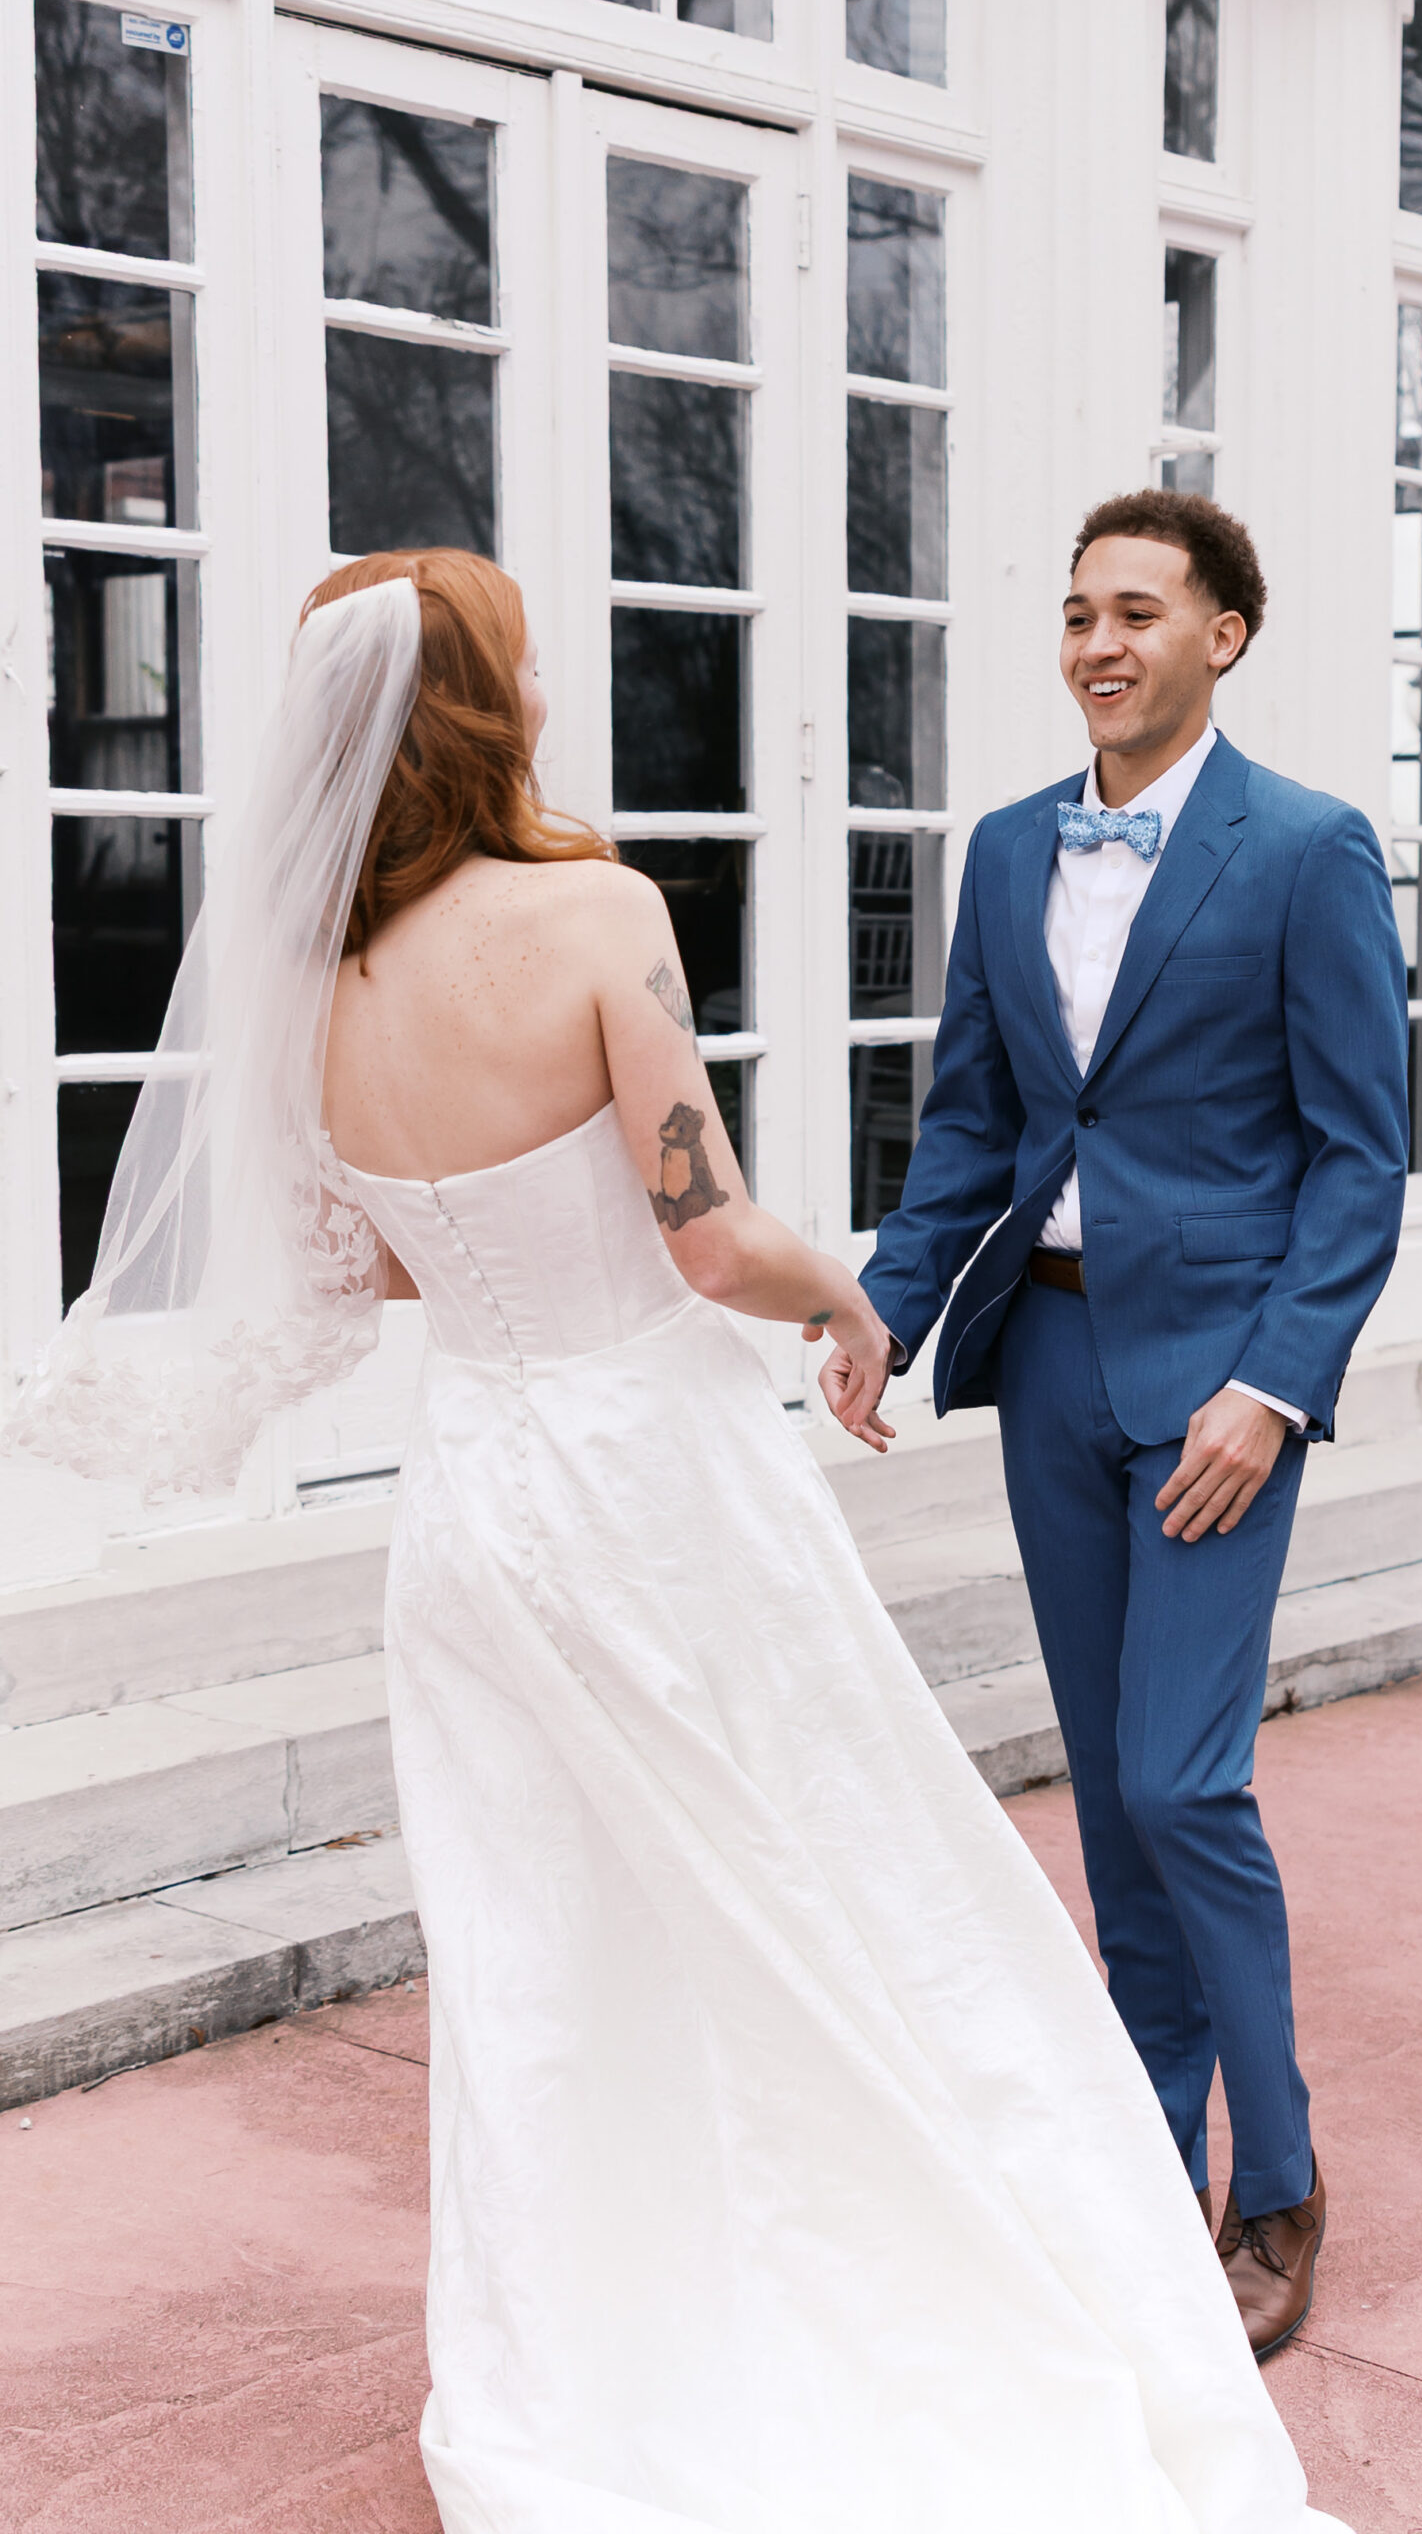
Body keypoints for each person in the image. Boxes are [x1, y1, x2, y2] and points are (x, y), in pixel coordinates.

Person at [5, 548, 1351, 2533]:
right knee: (821, 1887)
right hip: (650, 1489)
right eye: (527, 661)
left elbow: (357, 1259)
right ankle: (868, 2309)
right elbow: (706, 1231)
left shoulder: (315, 974)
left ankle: (599, 2364)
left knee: (547, 1945)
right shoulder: (595, 912)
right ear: (485, 701)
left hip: (473, 1509)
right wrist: (852, 1298)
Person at [843, 491, 1409, 2362]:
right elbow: (973, 1124)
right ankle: (1152, 2161)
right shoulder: (1008, 852)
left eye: (1140, 612)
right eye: (1079, 612)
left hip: (1219, 1390)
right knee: (1106, 1792)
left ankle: (1283, 2186)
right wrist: (887, 1312)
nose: (1100, 642)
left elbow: (1359, 1161)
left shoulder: (1309, 849)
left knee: (1186, 1782)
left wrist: (1273, 1387)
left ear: (1224, 635)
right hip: (1056, 1370)